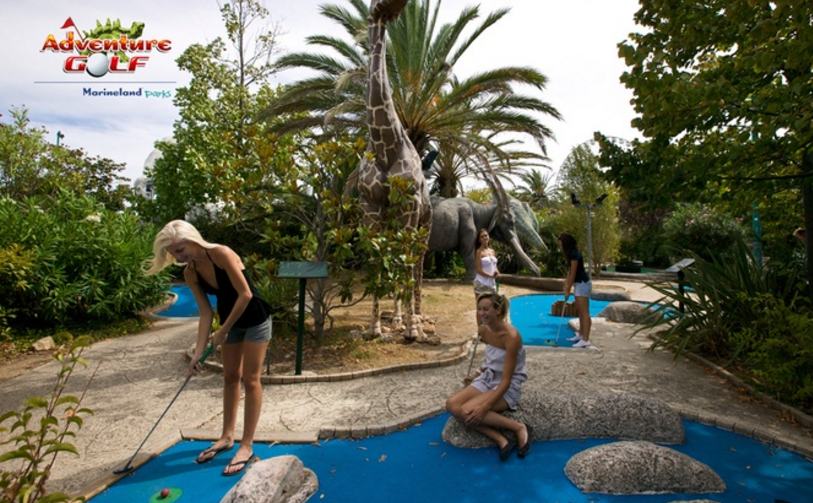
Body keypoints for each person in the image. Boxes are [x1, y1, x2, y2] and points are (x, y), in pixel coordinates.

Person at [146, 220, 272, 476]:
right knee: (229, 377)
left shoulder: (221, 253)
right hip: (229, 321)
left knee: (250, 379)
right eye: (173, 253)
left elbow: (245, 294)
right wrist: (197, 353)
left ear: (193, 239)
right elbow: (205, 313)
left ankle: (246, 445)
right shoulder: (190, 273)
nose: (178, 257)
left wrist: (223, 330)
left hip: (255, 318)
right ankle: (227, 436)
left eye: (181, 249)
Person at [446, 292, 532, 461]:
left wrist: (485, 406)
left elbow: (506, 380)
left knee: (467, 410)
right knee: (452, 405)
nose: (481, 313)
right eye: (479, 309)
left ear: (498, 311)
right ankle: (500, 438)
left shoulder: (512, 337)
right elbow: (493, 359)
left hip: (506, 385)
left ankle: (519, 427)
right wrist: (477, 373)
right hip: (488, 378)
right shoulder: (484, 331)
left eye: (486, 309)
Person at [558, 233, 592, 348]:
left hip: (582, 283)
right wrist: (566, 285)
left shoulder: (574, 255)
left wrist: (568, 288)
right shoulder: (571, 254)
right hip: (579, 284)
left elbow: (573, 273)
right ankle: (581, 335)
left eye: (561, 243)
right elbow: (569, 273)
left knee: (584, 312)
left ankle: (586, 339)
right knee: (580, 311)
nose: (560, 246)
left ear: (565, 243)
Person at [473, 228, 499, 296]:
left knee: (492, 305)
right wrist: (490, 276)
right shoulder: (478, 252)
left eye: (486, 235)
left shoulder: (492, 251)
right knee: (481, 305)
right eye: (482, 236)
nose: (484, 237)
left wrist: (497, 272)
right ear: (479, 240)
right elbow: (478, 270)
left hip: (492, 283)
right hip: (481, 283)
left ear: (489, 237)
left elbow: (494, 266)